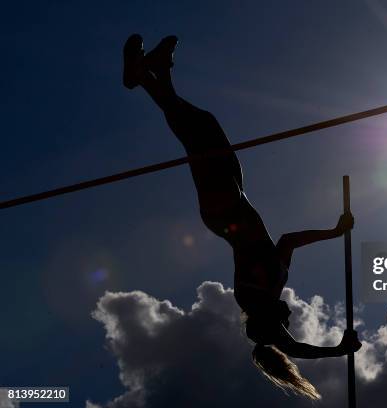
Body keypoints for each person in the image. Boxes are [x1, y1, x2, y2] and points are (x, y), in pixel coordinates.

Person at [123, 34, 362, 400]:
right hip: (237, 204)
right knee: (201, 129)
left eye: (286, 325)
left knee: (199, 133)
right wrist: (334, 231)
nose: (292, 319)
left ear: (273, 327)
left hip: (225, 213)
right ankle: (153, 74)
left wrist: (337, 351)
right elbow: (289, 240)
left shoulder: (255, 301)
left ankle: (150, 74)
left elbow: (294, 348)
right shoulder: (276, 283)